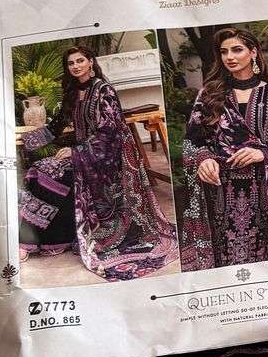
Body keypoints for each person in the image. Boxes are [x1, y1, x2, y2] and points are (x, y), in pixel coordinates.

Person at [18, 44, 175, 280]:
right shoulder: (72, 92)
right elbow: (57, 125)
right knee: (38, 170)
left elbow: (109, 133)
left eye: (80, 61)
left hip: (107, 158)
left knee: (52, 173)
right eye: (71, 63)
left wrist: (76, 152)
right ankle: (45, 240)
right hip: (85, 155)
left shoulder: (104, 91)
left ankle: (46, 241)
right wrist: (27, 141)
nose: (75, 66)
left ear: (91, 61)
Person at [180, 27, 268, 270]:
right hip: (220, 189)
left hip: (264, 189)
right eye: (224, 52)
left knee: (267, 259)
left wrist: (264, 153)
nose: (229, 57)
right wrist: (203, 159)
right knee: (226, 259)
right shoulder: (209, 95)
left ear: (253, 52)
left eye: (237, 50)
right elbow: (192, 141)